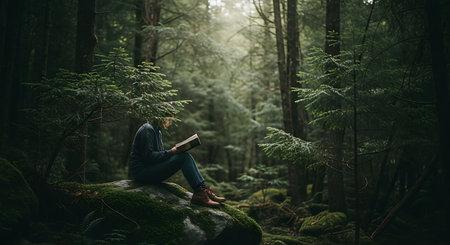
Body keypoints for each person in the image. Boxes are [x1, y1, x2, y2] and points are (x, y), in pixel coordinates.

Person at [129, 115, 225, 208]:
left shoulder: (157, 131)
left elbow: (157, 156)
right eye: (169, 119)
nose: (170, 123)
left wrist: (176, 151)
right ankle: (200, 194)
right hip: (142, 173)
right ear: (161, 117)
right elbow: (148, 157)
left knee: (186, 156)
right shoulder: (147, 129)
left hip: (150, 169)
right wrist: (172, 151)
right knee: (184, 158)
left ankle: (203, 190)